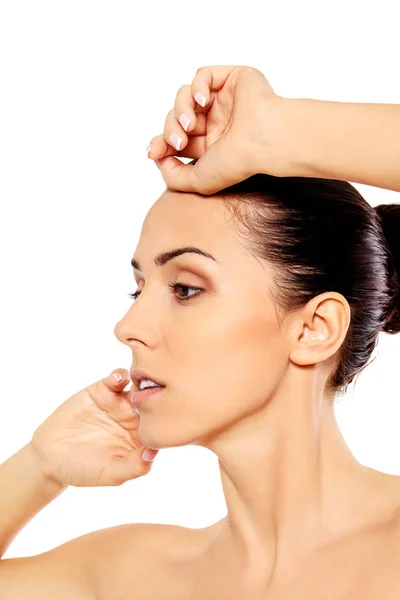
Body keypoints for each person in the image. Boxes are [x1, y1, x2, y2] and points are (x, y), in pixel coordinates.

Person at [0, 65, 399, 599]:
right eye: (138, 289)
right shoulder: (133, 576)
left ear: (314, 328)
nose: (128, 327)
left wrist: (279, 130)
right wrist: (39, 467)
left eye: (186, 288)